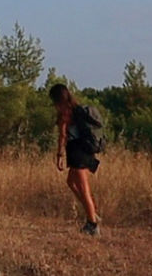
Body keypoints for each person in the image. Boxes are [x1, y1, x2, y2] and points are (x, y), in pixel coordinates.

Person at [49, 83, 101, 235]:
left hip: (77, 153)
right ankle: (90, 211)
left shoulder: (65, 113)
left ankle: (92, 224)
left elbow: (63, 135)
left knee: (84, 190)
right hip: (85, 151)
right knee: (71, 182)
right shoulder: (77, 109)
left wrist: (59, 156)